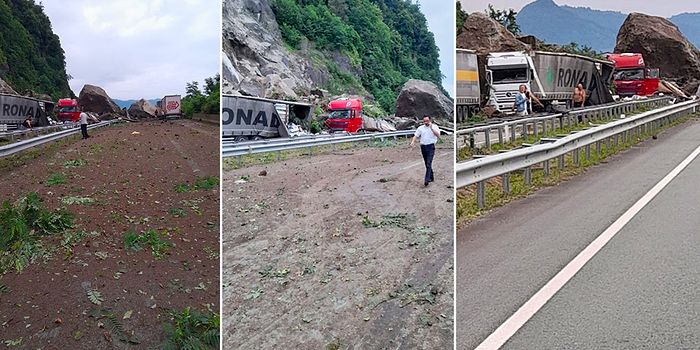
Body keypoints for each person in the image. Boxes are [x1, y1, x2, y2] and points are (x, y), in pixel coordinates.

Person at [410, 116, 440, 186]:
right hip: (423, 147)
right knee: (427, 163)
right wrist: (413, 142)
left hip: (431, 146)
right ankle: (431, 177)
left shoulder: (435, 127)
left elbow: (438, 135)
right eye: (424, 121)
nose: (426, 122)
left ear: (430, 120)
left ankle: (427, 179)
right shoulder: (421, 128)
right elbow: (416, 135)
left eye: (427, 121)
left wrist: (431, 128)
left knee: (429, 163)